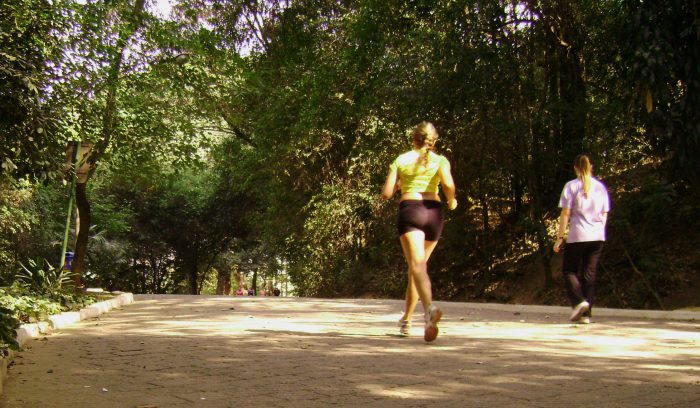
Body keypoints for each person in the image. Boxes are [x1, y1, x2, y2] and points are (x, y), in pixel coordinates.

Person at [382, 121, 457, 342]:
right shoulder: (441, 161)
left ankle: (429, 310)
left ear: (414, 139)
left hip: (412, 210)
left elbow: (386, 193)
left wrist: (396, 186)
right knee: (417, 268)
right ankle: (406, 319)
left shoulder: (401, 160)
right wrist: (452, 201)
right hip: (434, 212)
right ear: (433, 141)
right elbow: (449, 185)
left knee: (417, 266)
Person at [553, 154, 610, 324]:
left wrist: (560, 237)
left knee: (569, 270)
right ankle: (586, 314)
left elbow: (565, 213)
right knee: (589, 273)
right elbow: (604, 213)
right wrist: (601, 231)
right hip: (597, 235)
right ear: (591, 167)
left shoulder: (571, 186)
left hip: (578, 235)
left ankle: (579, 301)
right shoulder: (600, 187)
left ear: (575, 168)